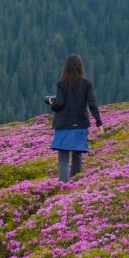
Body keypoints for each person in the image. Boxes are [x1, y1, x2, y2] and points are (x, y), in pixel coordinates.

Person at [45, 54, 102, 183]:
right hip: (80, 124)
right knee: (77, 155)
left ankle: (63, 186)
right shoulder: (87, 83)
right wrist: (99, 123)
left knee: (63, 158)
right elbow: (92, 104)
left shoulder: (61, 84)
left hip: (63, 124)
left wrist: (51, 102)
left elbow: (59, 104)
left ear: (66, 67)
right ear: (80, 67)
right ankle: (74, 185)